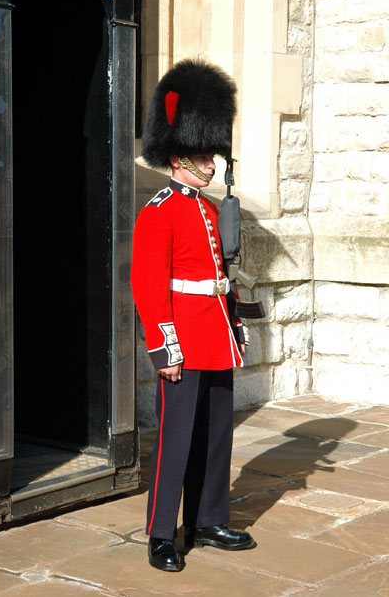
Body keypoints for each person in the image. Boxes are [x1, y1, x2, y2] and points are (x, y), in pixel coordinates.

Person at [131, 59, 255, 572]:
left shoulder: (207, 210)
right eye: (203, 156)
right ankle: (162, 532)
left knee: (216, 435)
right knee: (176, 440)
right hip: (182, 340)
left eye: (212, 155)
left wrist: (236, 324)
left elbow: (220, 278)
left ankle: (207, 518)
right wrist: (165, 349)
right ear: (180, 158)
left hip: (215, 338)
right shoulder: (158, 211)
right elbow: (149, 288)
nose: (211, 164)